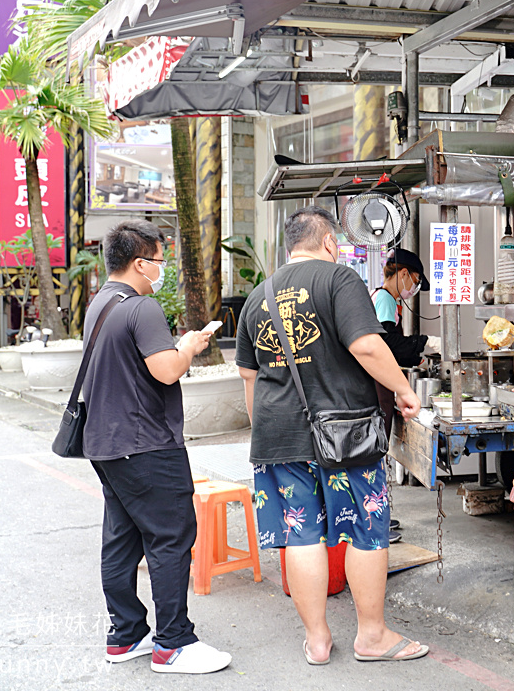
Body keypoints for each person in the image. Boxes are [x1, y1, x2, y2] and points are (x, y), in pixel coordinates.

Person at [235, 206, 428, 666]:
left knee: (301, 535)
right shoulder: (340, 281)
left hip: (278, 438)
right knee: (366, 529)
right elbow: (365, 344)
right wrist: (404, 390)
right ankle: (372, 636)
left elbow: (248, 376)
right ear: (329, 244)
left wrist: (266, 427)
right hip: (346, 436)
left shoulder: (257, 296)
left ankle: (318, 641)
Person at [82, 219, 231, 674]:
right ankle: (173, 643)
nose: (162, 270)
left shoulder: (99, 304)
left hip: (107, 444)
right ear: (140, 263)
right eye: (160, 261)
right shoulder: (141, 308)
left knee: (122, 539)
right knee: (170, 536)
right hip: (147, 444)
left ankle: (126, 635)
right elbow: (166, 370)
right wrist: (188, 344)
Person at [370, 248, 440, 542]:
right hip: (376, 386)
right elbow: (389, 344)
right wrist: (425, 344)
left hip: (378, 383)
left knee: (376, 451)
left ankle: (378, 514)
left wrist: (418, 358)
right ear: (401, 274)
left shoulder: (382, 297)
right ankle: (374, 521)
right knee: (375, 451)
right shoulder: (385, 298)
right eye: (414, 281)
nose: (414, 288)